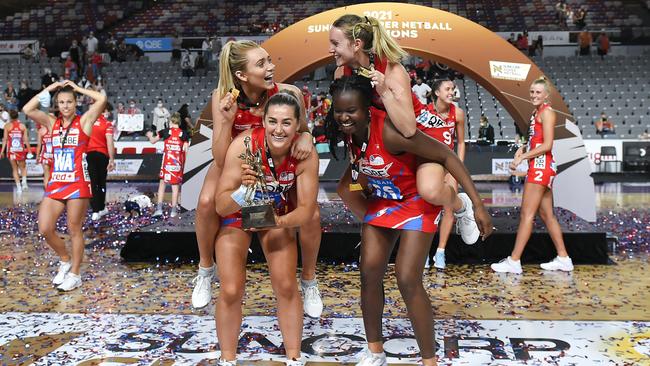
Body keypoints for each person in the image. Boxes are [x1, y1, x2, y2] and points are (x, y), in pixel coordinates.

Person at [325, 75, 492, 366]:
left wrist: (477, 204)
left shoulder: (391, 132)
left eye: (351, 111)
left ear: (367, 109)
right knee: (369, 273)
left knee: (407, 278)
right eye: (339, 111)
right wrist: (371, 218)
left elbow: (446, 155)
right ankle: (375, 352)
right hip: (385, 199)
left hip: (416, 199)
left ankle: (430, 361)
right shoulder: (347, 131)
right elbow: (351, 180)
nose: (344, 117)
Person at [190, 40, 322, 319]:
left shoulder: (289, 93)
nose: (271, 67)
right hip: (236, 162)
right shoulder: (223, 97)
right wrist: (225, 122)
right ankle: (205, 269)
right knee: (205, 203)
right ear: (241, 75)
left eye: (269, 60)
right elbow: (220, 158)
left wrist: (307, 137)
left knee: (311, 214)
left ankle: (309, 279)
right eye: (261, 64)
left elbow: (304, 129)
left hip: (278, 164)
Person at [329, 14, 481, 246]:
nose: (331, 49)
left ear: (356, 44)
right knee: (347, 189)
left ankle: (461, 206)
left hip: (421, 132)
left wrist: (385, 92)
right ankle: (380, 227)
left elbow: (409, 128)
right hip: (388, 137)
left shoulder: (392, 70)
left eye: (335, 43)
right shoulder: (341, 73)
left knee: (430, 190)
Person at [214, 91, 319, 366]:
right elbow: (220, 206)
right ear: (263, 121)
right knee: (231, 290)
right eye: (272, 121)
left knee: (286, 284)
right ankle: (227, 359)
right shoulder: (244, 144)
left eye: (286, 123)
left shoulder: (304, 152)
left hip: (274, 214)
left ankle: (294, 357)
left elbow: (307, 210)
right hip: (238, 213)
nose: (278, 129)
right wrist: (241, 192)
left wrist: (280, 222)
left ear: (298, 126)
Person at [23, 80, 107, 291]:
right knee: (44, 228)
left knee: (74, 229)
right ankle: (64, 259)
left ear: (75, 102)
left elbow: (102, 99)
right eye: (61, 102)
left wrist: (77, 88)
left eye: (69, 102)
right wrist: (49, 89)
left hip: (78, 182)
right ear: (57, 104)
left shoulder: (85, 121)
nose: (65, 106)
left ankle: (75, 274)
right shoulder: (52, 123)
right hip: (57, 182)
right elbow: (27, 108)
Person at [491, 77, 572, 274]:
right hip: (540, 166)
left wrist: (522, 158)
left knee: (527, 215)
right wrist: (522, 149)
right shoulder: (536, 113)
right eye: (532, 92)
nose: (534, 95)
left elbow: (547, 145)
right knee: (546, 215)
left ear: (546, 95)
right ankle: (563, 258)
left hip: (541, 167)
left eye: (538, 92)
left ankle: (514, 260)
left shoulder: (548, 113)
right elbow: (536, 140)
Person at [423, 78, 467, 270]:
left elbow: (461, 143)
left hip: (449, 166)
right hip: (428, 166)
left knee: (449, 209)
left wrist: (458, 166)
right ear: (437, 92)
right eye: (447, 89)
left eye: (453, 89)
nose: (451, 92)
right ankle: (423, 252)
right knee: (424, 209)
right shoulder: (424, 112)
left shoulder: (458, 113)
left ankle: (440, 252)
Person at [146, 113, 189, 218]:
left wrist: (149, 135)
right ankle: (173, 211)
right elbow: (186, 152)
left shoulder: (165, 132)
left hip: (166, 164)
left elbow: (152, 141)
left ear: (171, 121)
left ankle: (159, 210)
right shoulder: (184, 134)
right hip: (177, 165)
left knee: (162, 186)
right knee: (175, 188)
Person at [87, 104, 116, 221]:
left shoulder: (87, 123)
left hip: (89, 155)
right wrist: (112, 159)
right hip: (102, 155)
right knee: (101, 183)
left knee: (93, 183)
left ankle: (96, 210)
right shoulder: (107, 124)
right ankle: (100, 208)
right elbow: (110, 143)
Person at [0, 110, 29, 192]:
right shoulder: (22, 126)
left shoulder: (7, 126)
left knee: (15, 169)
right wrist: (29, 150)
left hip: (11, 150)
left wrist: (2, 151)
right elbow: (26, 139)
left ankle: (18, 187)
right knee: (23, 167)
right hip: (20, 149)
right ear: (18, 116)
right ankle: (24, 182)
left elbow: (5, 139)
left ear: (10, 117)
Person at [35, 123, 54, 188]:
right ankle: (53, 192)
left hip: (45, 155)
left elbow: (39, 145)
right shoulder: (56, 130)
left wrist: (37, 156)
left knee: (46, 175)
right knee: (54, 175)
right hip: (55, 156)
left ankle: (47, 193)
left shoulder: (41, 131)